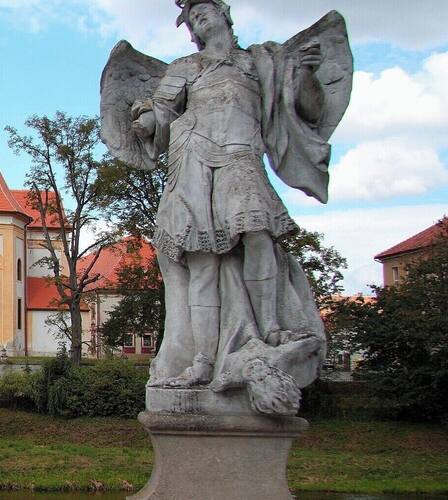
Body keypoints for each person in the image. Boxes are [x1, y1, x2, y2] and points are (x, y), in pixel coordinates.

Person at [101, 0, 349, 391]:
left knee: (259, 235)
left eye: (206, 10)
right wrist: (146, 121)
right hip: (194, 161)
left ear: (225, 15)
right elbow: (162, 110)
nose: (199, 18)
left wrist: (304, 74)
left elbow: (305, 109)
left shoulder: (262, 62)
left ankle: (269, 328)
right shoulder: (185, 68)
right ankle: (202, 359)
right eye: (192, 17)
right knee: (201, 263)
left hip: (241, 157)